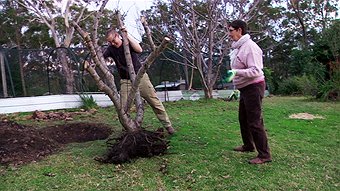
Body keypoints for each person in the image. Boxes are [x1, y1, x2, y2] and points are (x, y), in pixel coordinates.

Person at [103, 28, 175, 135]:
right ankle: (128, 129)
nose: (113, 44)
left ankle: (168, 126)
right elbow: (101, 57)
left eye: (114, 40)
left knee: (154, 102)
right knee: (123, 109)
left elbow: (139, 49)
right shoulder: (111, 49)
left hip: (140, 78)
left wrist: (127, 35)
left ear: (118, 35)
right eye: (110, 42)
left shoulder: (127, 43)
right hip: (125, 81)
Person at [224, 20, 271, 164]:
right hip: (245, 88)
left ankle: (264, 155)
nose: (229, 34)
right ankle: (248, 145)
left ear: (239, 30)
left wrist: (236, 72)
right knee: (243, 119)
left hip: (254, 87)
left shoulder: (250, 47)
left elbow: (256, 70)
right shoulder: (239, 47)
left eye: (231, 30)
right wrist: (233, 75)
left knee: (255, 121)